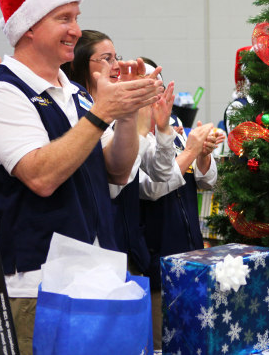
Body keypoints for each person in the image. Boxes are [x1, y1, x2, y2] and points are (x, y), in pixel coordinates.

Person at [0, 0, 163, 354]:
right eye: (64, 18)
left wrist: (124, 119)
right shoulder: (2, 95)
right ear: (29, 27)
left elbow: (117, 172)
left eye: (76, 18)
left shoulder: (74, 94)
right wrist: (102, 112)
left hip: (96, 280)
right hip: (37, 292)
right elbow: (42, 175)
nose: (75, 30)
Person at [62, 30, 184, 276]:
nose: (116, 66)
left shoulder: (121, 115)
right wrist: (136, 126)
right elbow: (113, 184)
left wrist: (162, 129)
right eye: (106, 58)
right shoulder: (77, 114)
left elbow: (161, 172)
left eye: (116, 57)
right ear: (79, 64)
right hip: (96, 250)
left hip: (131, 250)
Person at [139, 56, 223, 349]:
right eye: (150, 89)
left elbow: (205, 180)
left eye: (161, 88)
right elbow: (153, 188)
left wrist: (203, 154)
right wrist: (190, 149)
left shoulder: (173, 127)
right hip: (156, 267)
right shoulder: (126, 137)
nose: (159, 97)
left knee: (195, 339)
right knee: (164, 343)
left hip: (191, 259)